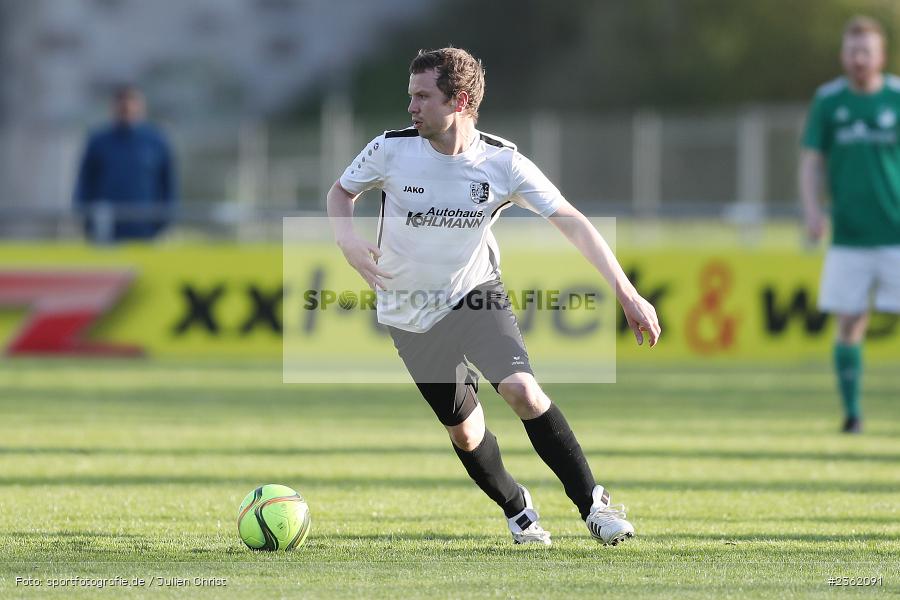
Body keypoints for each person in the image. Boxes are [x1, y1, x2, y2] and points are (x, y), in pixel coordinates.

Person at [326, 47, 661, 546]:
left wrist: (628, 293)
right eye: (410, 96)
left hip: (474, 295)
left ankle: (594, 506)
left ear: (458, 100)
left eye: (423, 97)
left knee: (523, 392)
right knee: (464, 432)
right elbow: (340, 193)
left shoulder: (502, 163)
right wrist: (348, 241)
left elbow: (572, 223)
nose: (411, 107)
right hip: (409, 313)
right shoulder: (390, 149)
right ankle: (518, 508)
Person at [800, 16, 900, 434]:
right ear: (843, 54)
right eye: (852, 50)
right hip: (850, 237)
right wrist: (812, 210)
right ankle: (853, 414)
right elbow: (810, 161)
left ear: (881, 56)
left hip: (896, 233)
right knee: (850, 323)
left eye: (867, 51)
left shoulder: (896, 97)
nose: (859, 59)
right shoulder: (829, 101)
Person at [74, 85, 177, 242]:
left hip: (145, 230)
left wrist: (163, 221)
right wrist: (87, 219)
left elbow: (167, 185)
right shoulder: (98, 141)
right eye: (122, 104)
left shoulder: (156, 141)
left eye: (132, 103)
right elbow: (85, 182)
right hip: (106, 230)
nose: (127, 108)